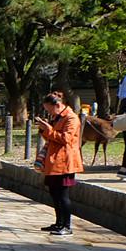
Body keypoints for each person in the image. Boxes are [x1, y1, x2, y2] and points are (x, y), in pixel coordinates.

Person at [35, 91, 83, 236]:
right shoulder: (56, 117)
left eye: (49, 109)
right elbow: (50, 137)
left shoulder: (71, 118)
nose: (49, 112)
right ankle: (58, 222)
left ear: (57, 105)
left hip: (65, 161)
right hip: (53, 159)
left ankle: (67, 226)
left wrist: (48, 130)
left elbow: (65, 139)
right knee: (54, 192)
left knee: (63, 194)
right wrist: (44, 129)